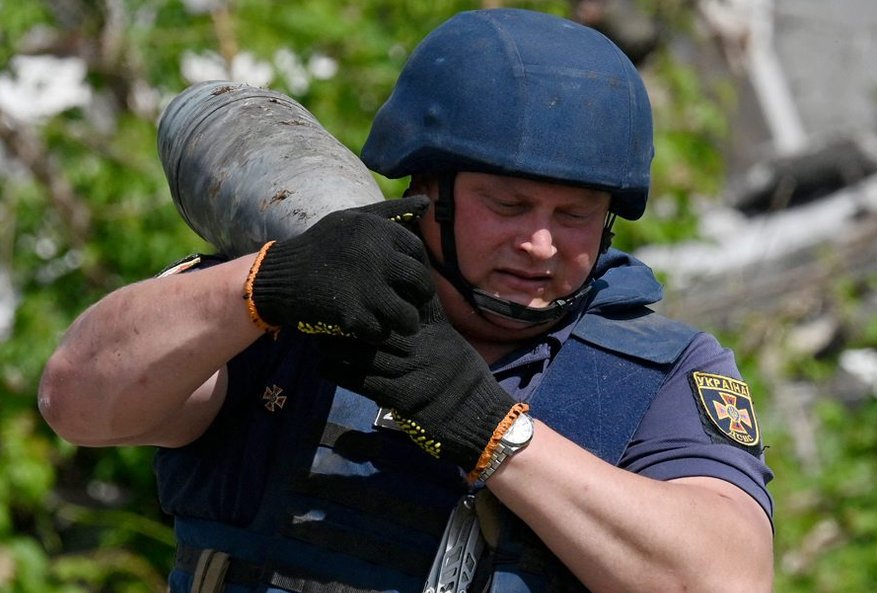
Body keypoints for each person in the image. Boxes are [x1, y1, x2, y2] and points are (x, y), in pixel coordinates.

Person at [38, 8, 774, 593]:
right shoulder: (274, 303)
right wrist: (264, 285)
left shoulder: (656, 372)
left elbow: (724, 579)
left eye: (574, 215)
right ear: (428, 190)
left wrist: (486, 428)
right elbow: (75, 400)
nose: (542, 243)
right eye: (509, 204)